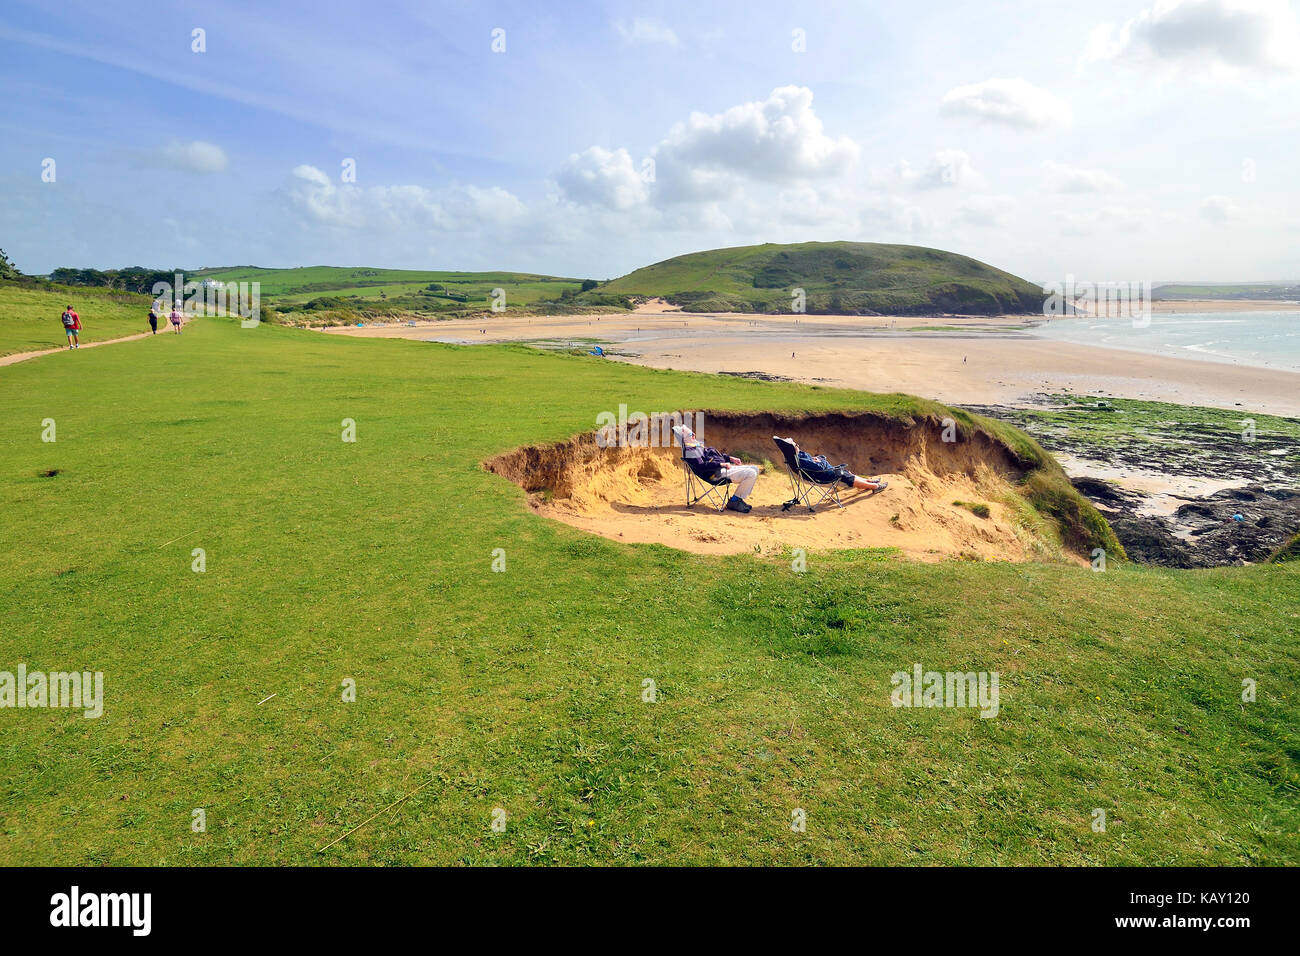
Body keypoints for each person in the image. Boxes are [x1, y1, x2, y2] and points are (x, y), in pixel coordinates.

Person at [672, 424, 759, 513]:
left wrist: (730, 458)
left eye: (693, 433)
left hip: (721, 469)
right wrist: (721, 464)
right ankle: (735, 501)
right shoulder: (691, 451)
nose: (694, 435)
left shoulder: (696, 446)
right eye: (691, 434)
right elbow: (702, 466)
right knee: (751, 473)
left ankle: (737, 499)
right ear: (684, 439)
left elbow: (714, 455)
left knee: (755, 468)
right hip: (715, 474)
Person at [784, 437, 887, 492]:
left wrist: (814, 459)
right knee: (843, 474)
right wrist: (820, 461)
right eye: (795, 445)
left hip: (820, 473)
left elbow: (812, 463)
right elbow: (818, 467)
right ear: (793, 448)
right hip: (822, 476)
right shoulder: (801, 460)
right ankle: (874, 486)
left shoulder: (797, 456)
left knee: (844, 472)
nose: (798, 445)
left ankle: (868, 481)